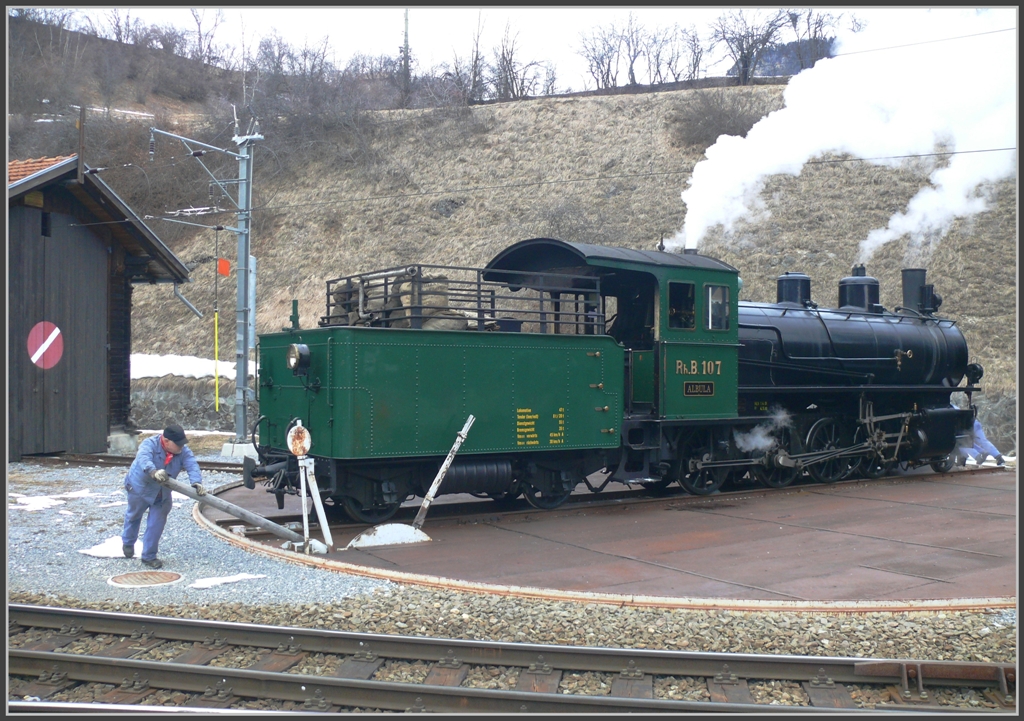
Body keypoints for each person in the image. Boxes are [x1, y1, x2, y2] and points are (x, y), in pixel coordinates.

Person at [121, 424, 205, 569]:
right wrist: (153, 472)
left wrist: (196, 482)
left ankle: (149, 556)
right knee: (133, 516)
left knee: (156, 524)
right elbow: (143, 458)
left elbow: (192, 465)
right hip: (139, 488)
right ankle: (128, 542)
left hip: (162, 493)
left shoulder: (183, 451)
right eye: (178, 444)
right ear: (166, 441)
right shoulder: (149, 444)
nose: (181, 447)